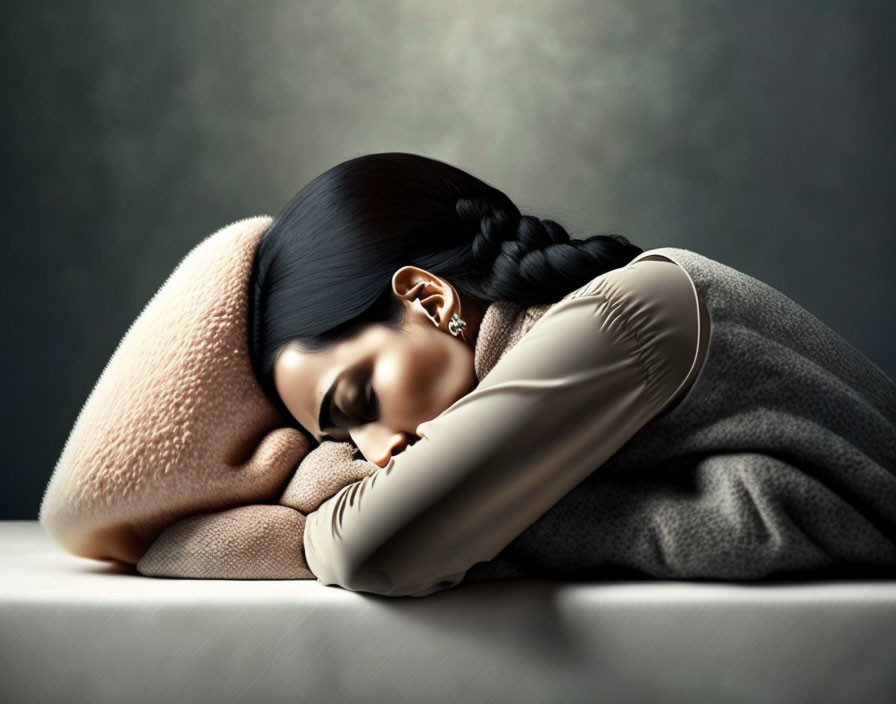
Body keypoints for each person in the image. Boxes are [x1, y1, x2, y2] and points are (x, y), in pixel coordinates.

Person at [249, 152, 896, 597]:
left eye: (360, 398)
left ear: (429, 300)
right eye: (339, 442)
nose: (374, 452)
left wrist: (238, 537)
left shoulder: (626, 314)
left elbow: (371, 548)